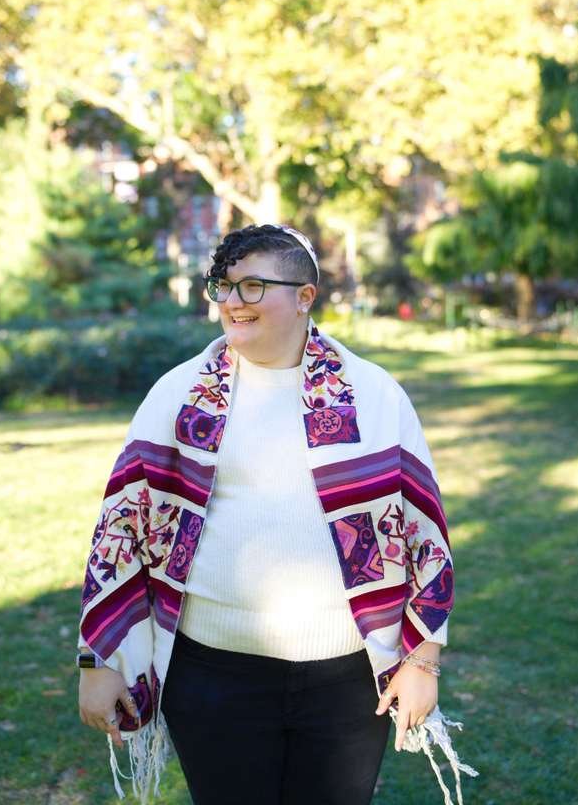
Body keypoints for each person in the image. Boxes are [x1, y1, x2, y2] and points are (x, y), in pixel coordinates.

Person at [77, 223, 456, 805]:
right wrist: (99, 660)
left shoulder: (374, 396)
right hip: (212, 674)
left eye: (253, 286)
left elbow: (423, 535)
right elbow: (121, 529)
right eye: (223, 286)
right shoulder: (181, 397)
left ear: (305, 296)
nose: (232, 301)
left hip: (348, 677)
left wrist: (423, 660)